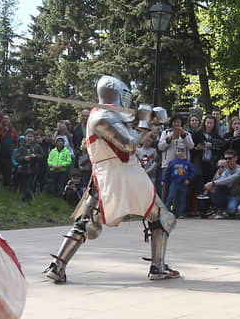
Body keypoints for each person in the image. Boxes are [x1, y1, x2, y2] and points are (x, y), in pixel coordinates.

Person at [43, 75, 179, 282]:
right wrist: (146, 123)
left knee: (86, 222)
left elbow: (128, 137)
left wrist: (148, 120)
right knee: (162, 217)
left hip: (107, 175)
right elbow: (130, 145)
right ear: (118, 94)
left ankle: (58, 265)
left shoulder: (106, 115)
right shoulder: (102, 116)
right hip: (122, 174)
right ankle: (158, 267)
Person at [157, 114, 194, 200]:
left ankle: (178, 211)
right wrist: (169, 138)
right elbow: (160, 147)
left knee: (180, 190)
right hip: (167, 164)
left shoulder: (187, 134)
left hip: (182, 166)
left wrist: (183, 135)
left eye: (178, 122)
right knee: (166, 189)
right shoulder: (165, 133)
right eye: (174, 122)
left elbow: (191, 146)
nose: (176, 124)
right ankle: (165, 210)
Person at [203, 149, 240, 219]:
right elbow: (219, 180)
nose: (228, 160)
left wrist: (213, 183)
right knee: (214, 188)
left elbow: (230, 180)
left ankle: (233, 210)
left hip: (235, 195)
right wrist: (211, 184)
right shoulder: (224, 168)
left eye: (230, 158)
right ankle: (220, 209)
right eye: (226, 158)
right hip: (225, 193)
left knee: (232, 209)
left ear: (236, 158)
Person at [162, 145, 194, 218]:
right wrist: (164, 180)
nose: (180, 153)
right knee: (171, 197)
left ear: (184, 153)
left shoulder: (187, 163)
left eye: (182, 151)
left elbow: (192, 172)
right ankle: (166, 211)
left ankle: (180, 213)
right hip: (174, 182)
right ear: (176, 152)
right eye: (178, 151)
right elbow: (168, 172)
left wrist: (188, 179)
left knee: (182, 199)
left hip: (183, 183)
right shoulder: (173, 162)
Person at [0, 112, 18, 186]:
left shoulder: (13, 131)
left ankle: (6, 191)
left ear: (9, 120)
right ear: (2, 119)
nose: (5, 120)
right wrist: (1, 114)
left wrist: (14, 153)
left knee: (7, 175)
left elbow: (16, 143)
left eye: (7, 118)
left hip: (9, 156)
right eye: (4, 118)